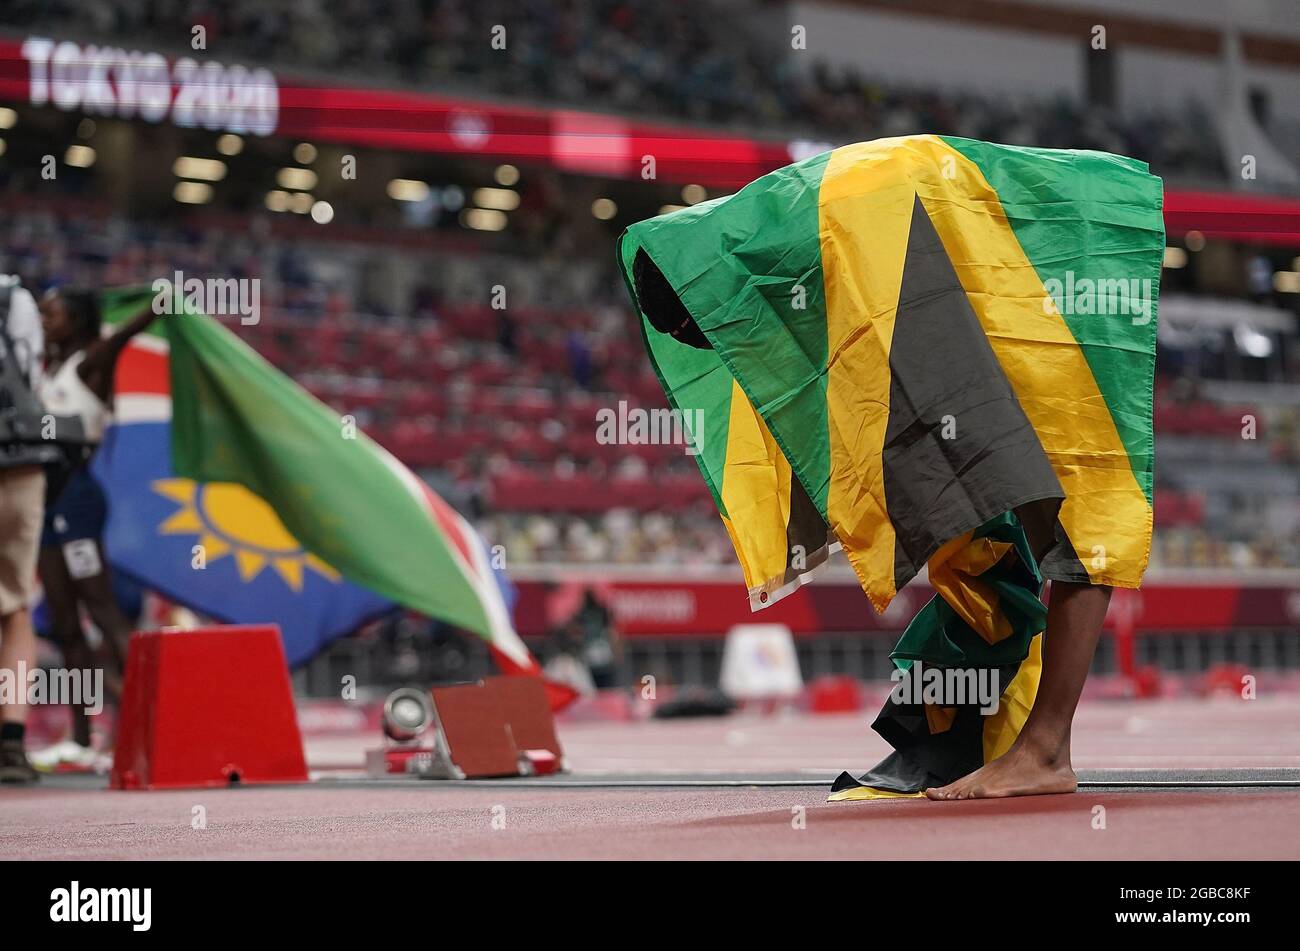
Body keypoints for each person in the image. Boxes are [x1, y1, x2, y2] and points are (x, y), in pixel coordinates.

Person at [633, 249, 1114, 801]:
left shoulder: (831, 259)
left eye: (711, 330)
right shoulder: (804, 272)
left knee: (1063, 536)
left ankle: (1035, 749)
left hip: (997, 312)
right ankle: (1019, 744)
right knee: (1024, 537)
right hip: (965, 316)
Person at [30, 288, 157, 771]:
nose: (43, 319)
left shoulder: (91, 363)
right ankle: (82, 738)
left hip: (78, 499)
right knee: (64, 627)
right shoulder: (45, 371)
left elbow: (125, 335)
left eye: (52, 312)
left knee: (102, 610)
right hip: (44, 502)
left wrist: (165, 300)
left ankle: (148, 726)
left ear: (79, 320)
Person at [0, 276, 47, 783]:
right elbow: (31, 376)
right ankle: (10, 744)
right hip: (19, 459)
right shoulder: (13, 296)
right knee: (13, 603)